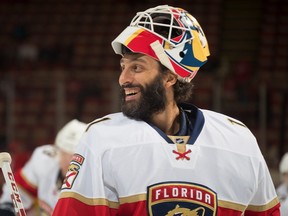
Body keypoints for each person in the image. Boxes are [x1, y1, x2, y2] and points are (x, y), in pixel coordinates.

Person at [52, 5, 280, 216]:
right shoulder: (102, 138)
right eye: (123, 66)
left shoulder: (239, 141)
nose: (123, 79)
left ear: (170, 76)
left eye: (136, 67)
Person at [0, 119, 87, 216]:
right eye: (64, 153)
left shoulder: (98, 183)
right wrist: (7, 209)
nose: (69, 160)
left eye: (76, 157)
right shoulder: (44, 161)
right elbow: (18, 193)